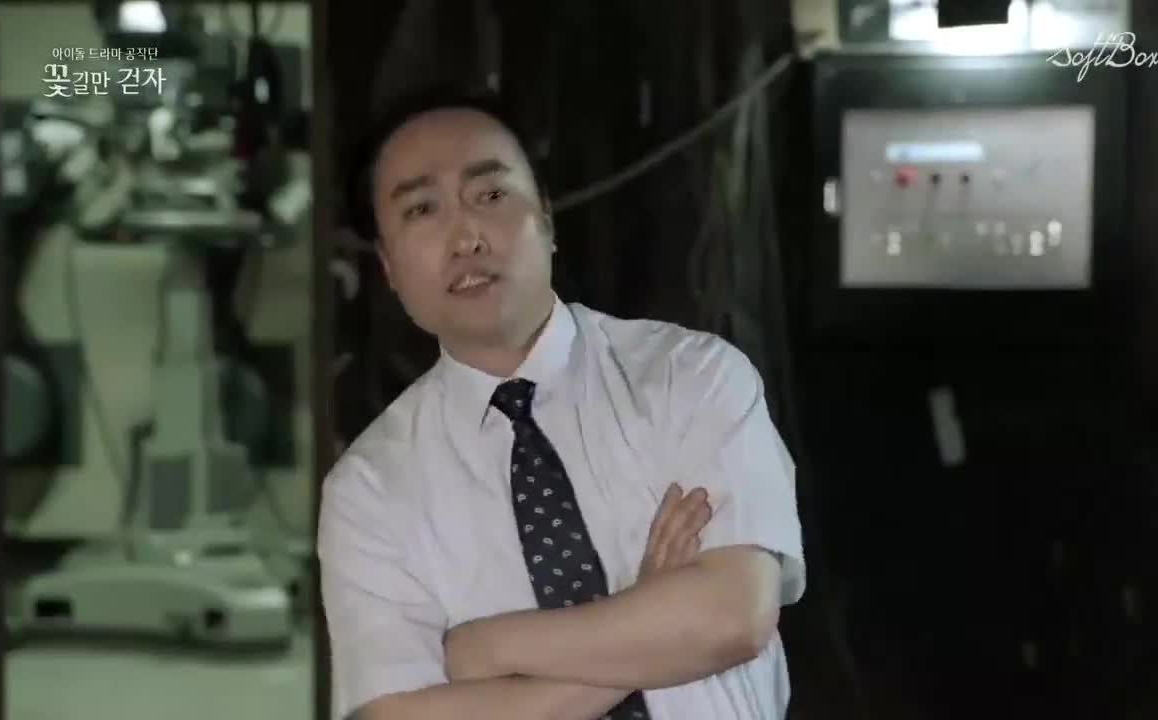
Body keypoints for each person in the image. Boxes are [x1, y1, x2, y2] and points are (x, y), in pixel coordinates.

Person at [319, 86, 807, 720]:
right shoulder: (369, 490)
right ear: (387, 266)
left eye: (491, 195)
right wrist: (649, 622)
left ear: (546, 218)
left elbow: (731, 618)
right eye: (422, 210)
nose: (466, 236)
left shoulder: (690, 376)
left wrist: (487, 648)